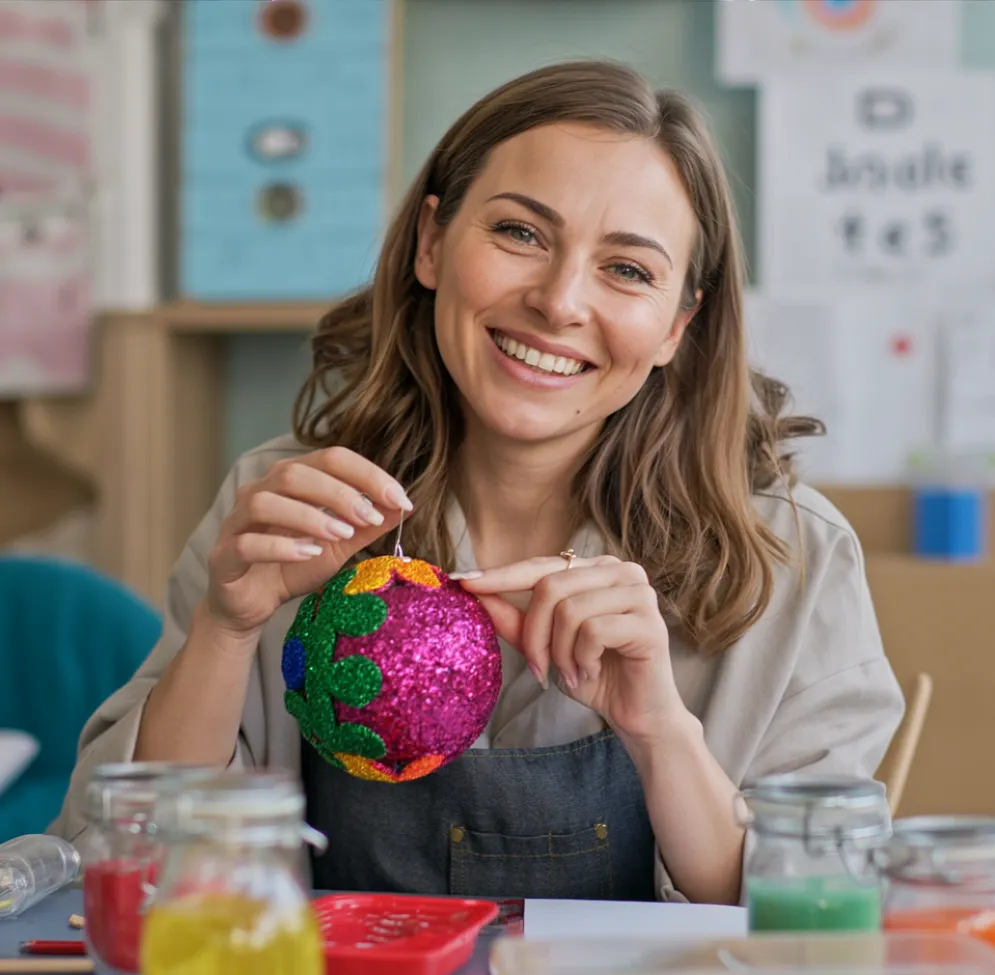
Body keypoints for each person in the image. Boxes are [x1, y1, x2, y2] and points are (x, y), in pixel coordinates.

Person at [51, 61, 904, 905]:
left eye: (629, 270)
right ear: (431, 243)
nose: (561, 301)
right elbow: (128, 865)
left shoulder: (792, 557)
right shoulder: (285, 505)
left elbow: (822, 911)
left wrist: (660, 731)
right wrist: (227, 630)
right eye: (520, 234)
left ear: (679, 324)